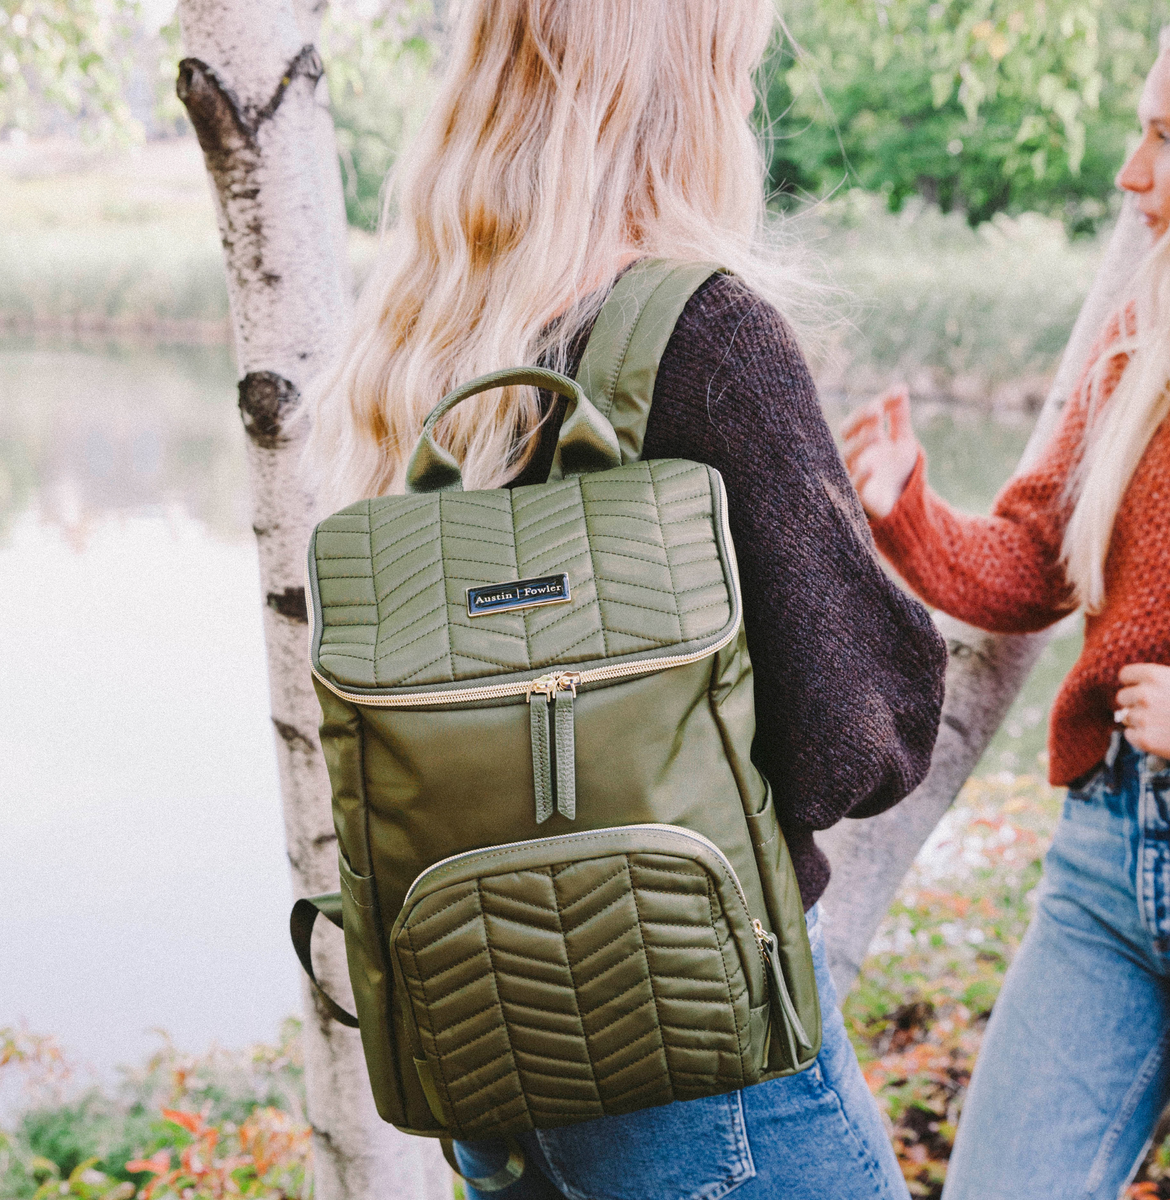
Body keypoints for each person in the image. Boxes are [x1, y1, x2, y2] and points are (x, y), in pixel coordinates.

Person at [303, 2, 946, 1196]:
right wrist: (836, 548)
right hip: (697, 1054)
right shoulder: (704, 333)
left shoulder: (426, 336)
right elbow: (862, 741)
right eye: (736, 58)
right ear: (683, 77)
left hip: (486, 1050)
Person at [841, 9, 1170, 1197]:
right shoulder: (1140, 342)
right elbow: (1037, 560)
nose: (1130, 170)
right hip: (1109, 852)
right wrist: (906, 509)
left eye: (1165, 135)